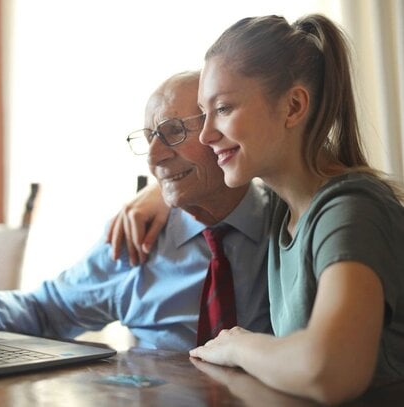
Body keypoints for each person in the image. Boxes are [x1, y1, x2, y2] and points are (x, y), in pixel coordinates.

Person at [110, 13, 404, 405]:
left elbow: (330, 371)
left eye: (224, 109)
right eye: (204, 112)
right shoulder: (286, 212)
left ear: (294, 106)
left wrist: (236, 345)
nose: (205, 134)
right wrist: (162, 193)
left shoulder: (350, 211)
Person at [0, 70, 272, 352]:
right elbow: (44, 309)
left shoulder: (290, 221)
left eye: (173, 131)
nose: (154, 157)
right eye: (149, 138)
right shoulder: (137, 236)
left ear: (223, 128)